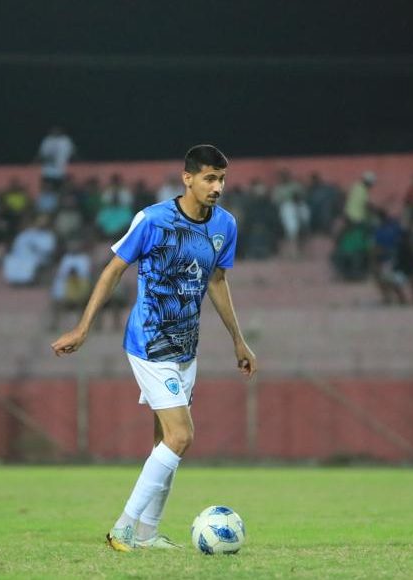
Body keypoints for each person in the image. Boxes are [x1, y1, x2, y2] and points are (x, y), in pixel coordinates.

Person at [50, 145, 256, 551]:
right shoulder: (153, 219)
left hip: (186, 347)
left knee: (166, 441)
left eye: (222, 179)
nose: (217, 187)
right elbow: (113, 270)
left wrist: (238, 339)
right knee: (182, 436)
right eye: (209, 178)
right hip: (149, 342)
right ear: (187, 178)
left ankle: (147, 533)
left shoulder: (225, 225)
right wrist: (83, 327)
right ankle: (123, 528)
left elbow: (217, 281)